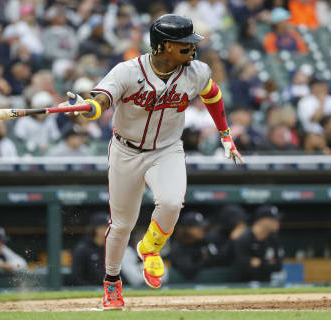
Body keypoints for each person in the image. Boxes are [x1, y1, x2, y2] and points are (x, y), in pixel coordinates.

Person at [56, 14, 243, 309]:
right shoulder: (128, 71)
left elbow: (213, 94)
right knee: (122, 224)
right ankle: (112, 283)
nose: (192, 49)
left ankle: (149, 248)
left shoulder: (196, 71)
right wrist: (90, 108)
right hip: (126, 151)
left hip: (166, 149)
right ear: (164, 46)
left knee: (170, 203)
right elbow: (102, 99)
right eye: (184, 45)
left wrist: (225, 134)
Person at [232, 205, 284, 283]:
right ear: (262, 220)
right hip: (243, 286)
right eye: (273, 219)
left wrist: (260, 263)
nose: (277, 222)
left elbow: (278, 266)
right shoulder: (244, 239)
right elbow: (243, 268)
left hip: (267, 284)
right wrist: (267, 263)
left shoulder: (274, 239)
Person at [169, 211, 219, 280]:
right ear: (187, 229)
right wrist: (204, 260)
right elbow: (188, 271)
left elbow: (219, 260)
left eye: (202, 227)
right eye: (197, 227)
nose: (201, 230)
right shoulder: (178, 246)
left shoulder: (205, 241)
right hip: (181, 286)